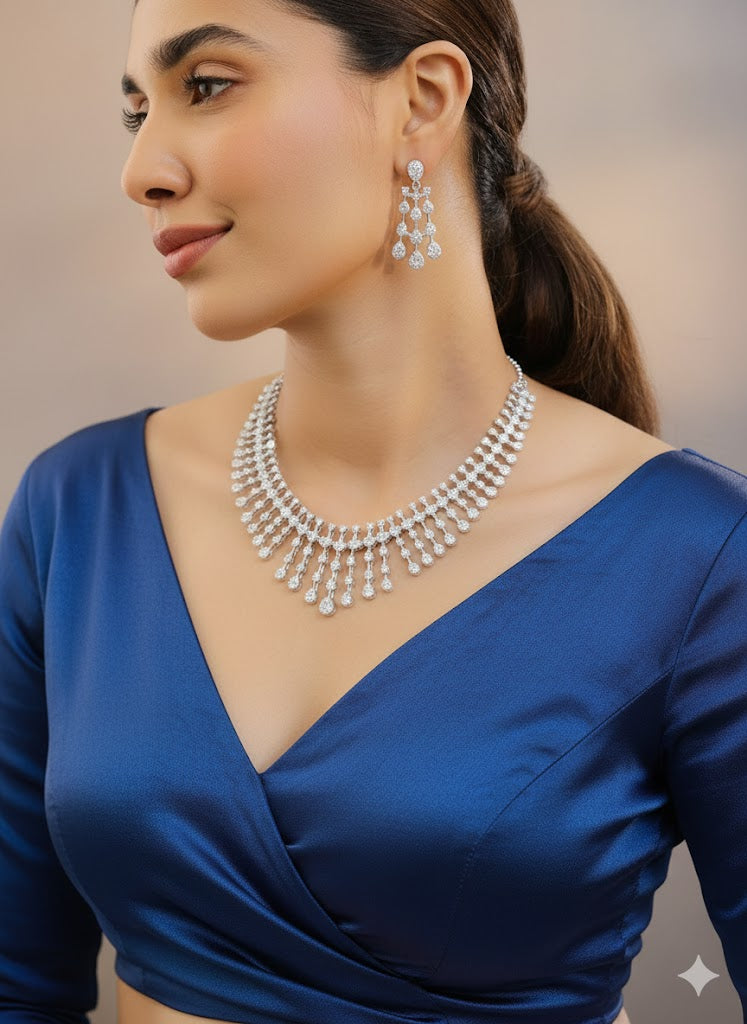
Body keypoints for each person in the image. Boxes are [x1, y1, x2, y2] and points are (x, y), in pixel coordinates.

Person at [1, 1, 745, 1022]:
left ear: (421, 99)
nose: (143, 170)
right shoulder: (78, 510)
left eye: (206, 86)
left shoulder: (697, 556)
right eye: (138, 112)